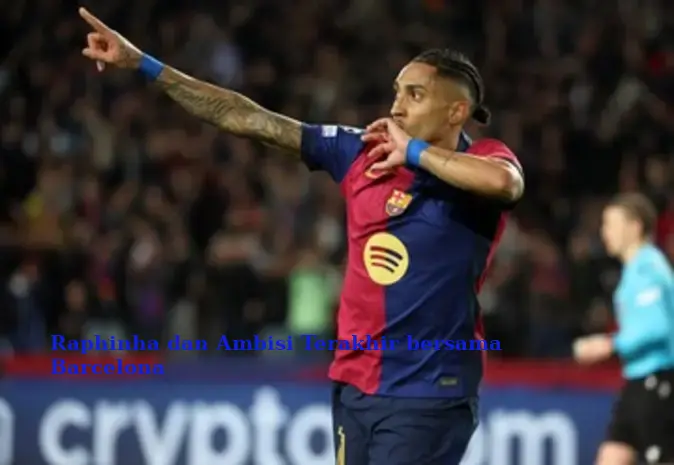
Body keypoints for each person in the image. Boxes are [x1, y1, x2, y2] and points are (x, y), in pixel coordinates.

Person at [78, 7, 524, 464]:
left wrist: (413, 151)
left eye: (415, 94)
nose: (396, 107)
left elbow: (506, 183)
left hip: (430, 391)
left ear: (456, 111)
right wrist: (144, 63)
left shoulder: (485, 160)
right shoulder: (360, 153)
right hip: (354, 384)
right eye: (397, 92)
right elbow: (245, 117)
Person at [573, 193, 674, 465]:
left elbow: (658, 328)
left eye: (611, 224)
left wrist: (609, 344)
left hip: (658, 381)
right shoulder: (634, 270)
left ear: (635, 226)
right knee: (610, 458)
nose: (604, 232)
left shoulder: (648, 268)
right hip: (636, 382)